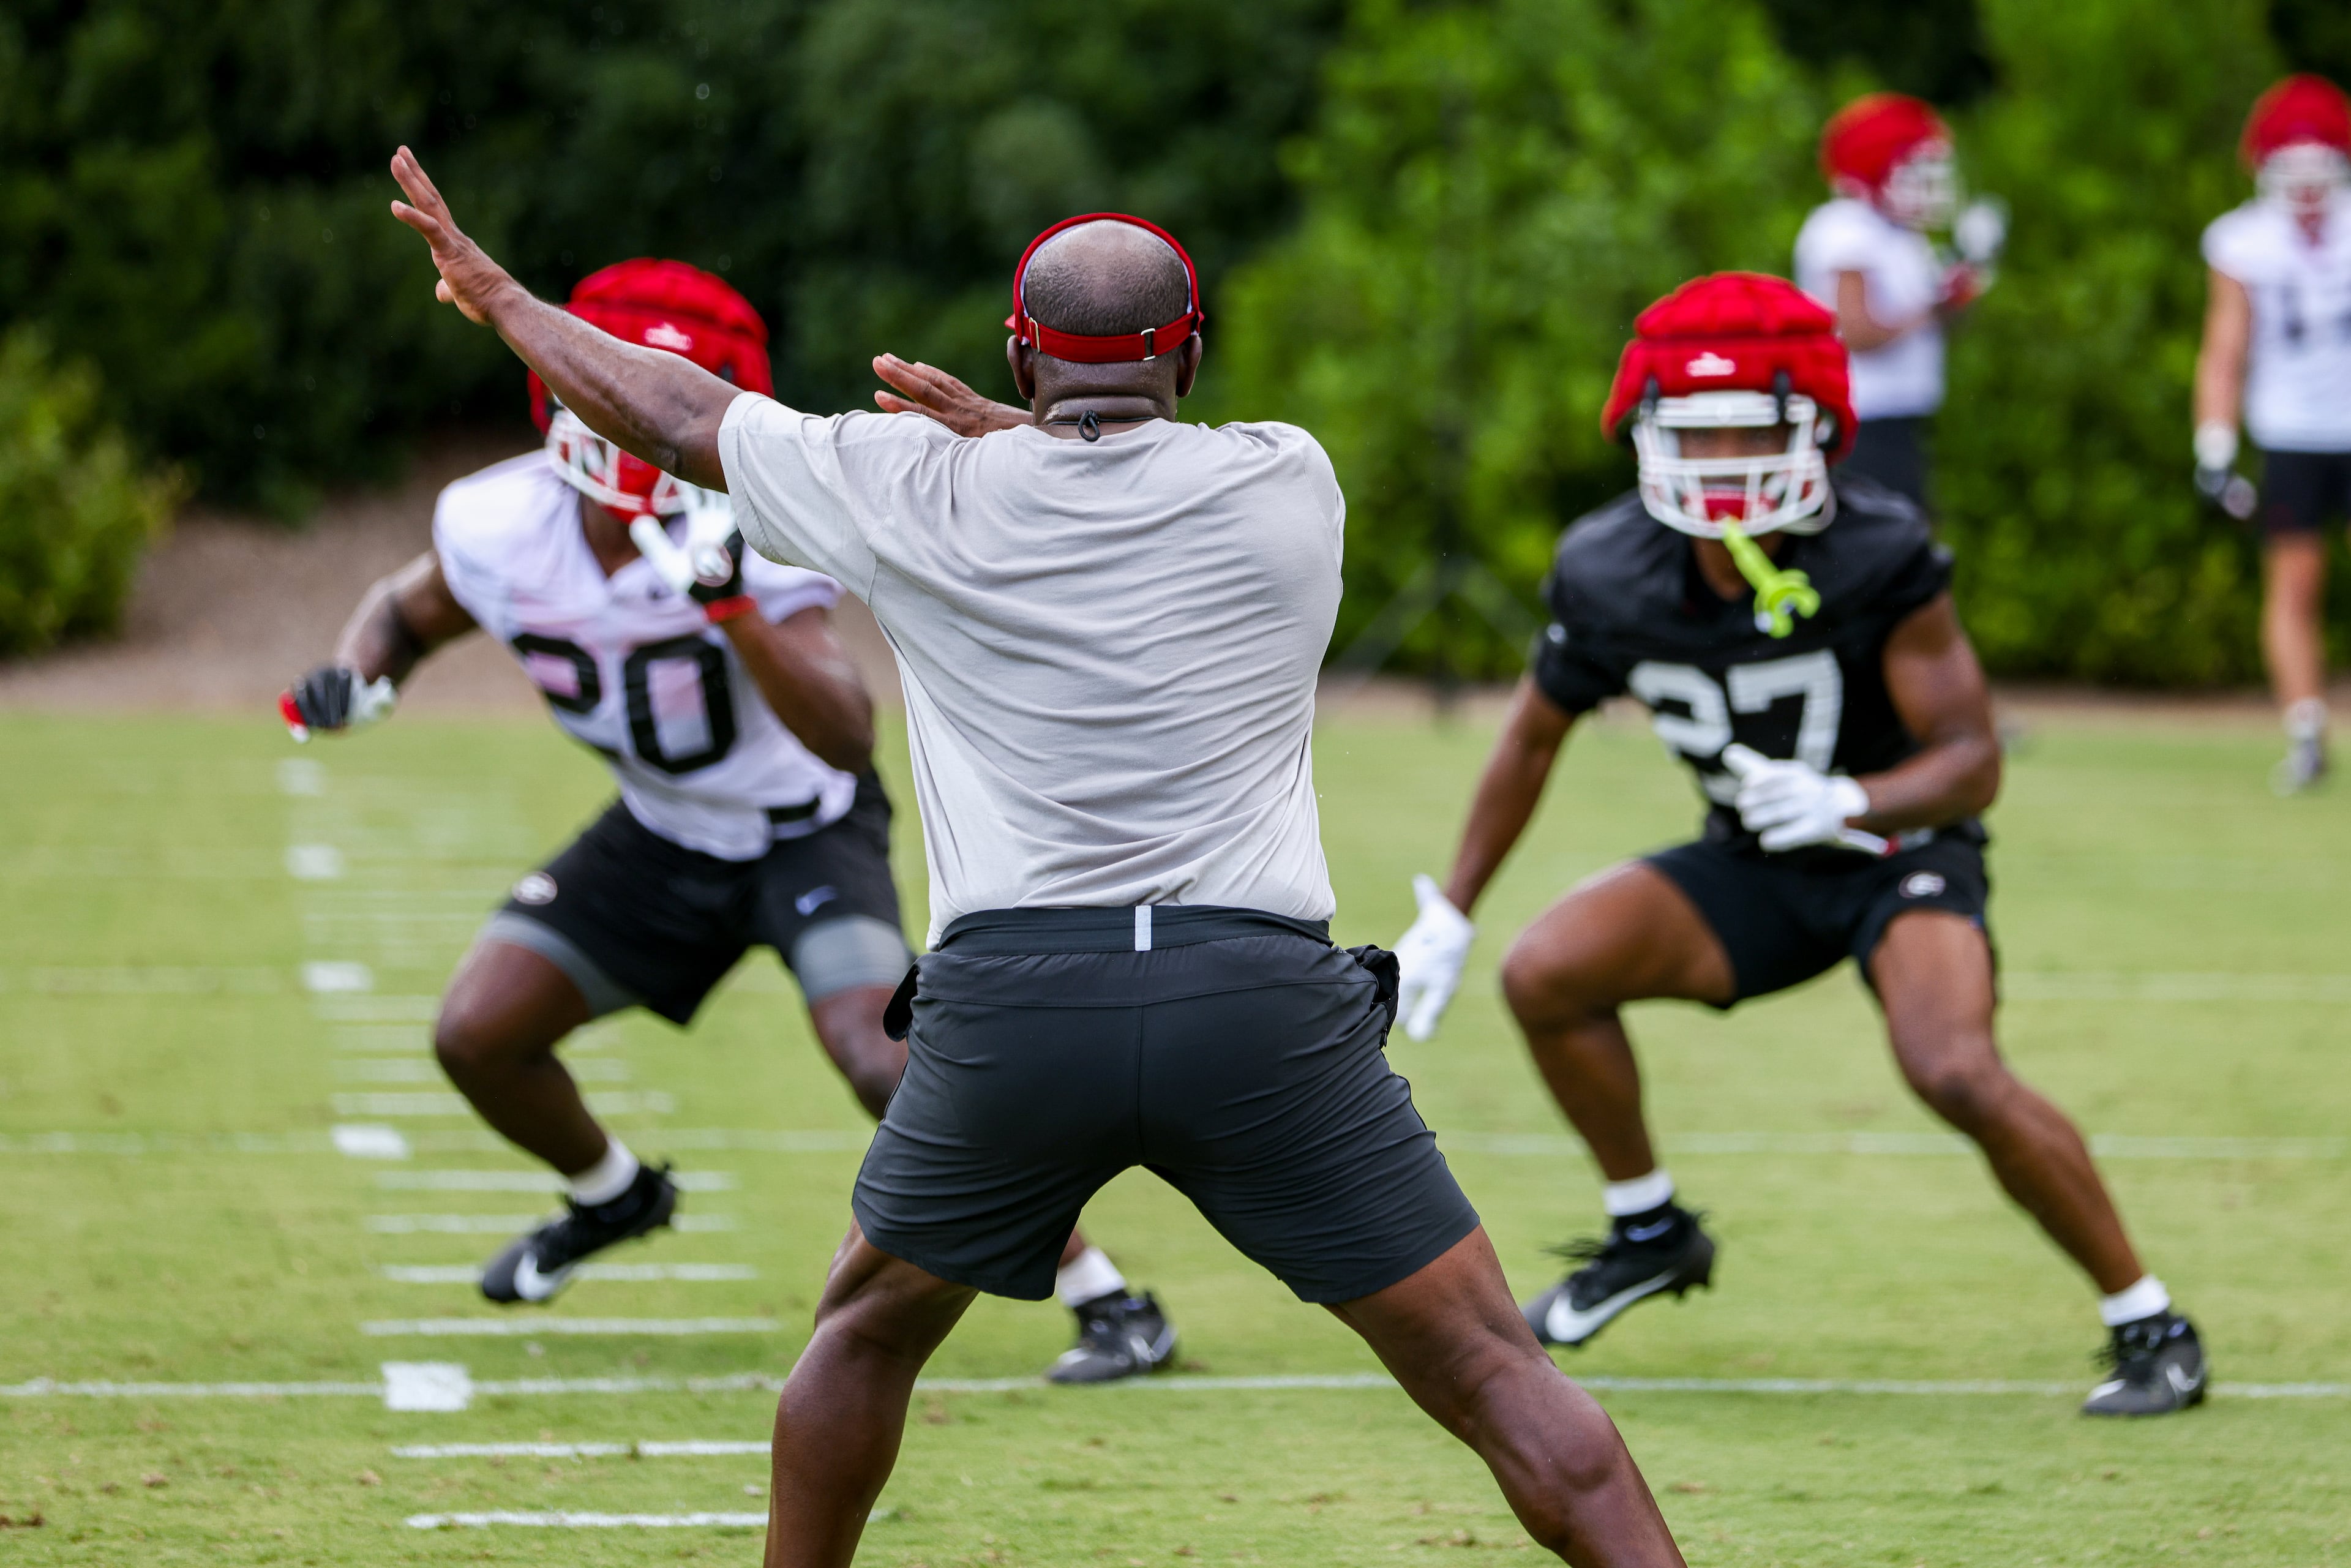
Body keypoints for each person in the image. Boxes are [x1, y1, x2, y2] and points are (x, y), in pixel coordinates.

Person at [389, 150, 1690, 1568]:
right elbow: (1120, 471)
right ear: (1193, 351)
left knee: (863, 1337)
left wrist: (505, 295)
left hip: (1015, 1011)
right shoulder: (1287, 482)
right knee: (1494, 1367)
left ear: (1018, 345)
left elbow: (685, 416)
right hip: (1254, 1006)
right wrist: (1026, 423)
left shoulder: (911, 486)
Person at [279, 257, 1175, 1385]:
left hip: (805, 826)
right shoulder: (498, 521)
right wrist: (359, 678)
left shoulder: (751, 523)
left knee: (880, 1055)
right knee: (477, 1034)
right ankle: (614, 1196)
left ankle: (1108, 1295)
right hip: (660, 830)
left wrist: (734, 606)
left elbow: (847, 733)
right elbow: (405, 615)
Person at [1393, 273, 2205, 1419]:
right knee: (1546, 971)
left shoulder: (1877, 549)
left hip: (1896, 852)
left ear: (1816, 430)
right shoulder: (1607, 567)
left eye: (1752, 431)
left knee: (1955, 1069)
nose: (1724, 459)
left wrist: (1849, 799)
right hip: (1753, 862)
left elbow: (1973, 756)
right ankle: (1650, 1231)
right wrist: (1458, 908)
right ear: (1642, 435)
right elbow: (1530, 740)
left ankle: (2149, 1318)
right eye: (1697, 432)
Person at [2194, 73, 2351, 794]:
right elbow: (2226, 348)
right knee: (2295, 584)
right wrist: (2215, 446)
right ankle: (2305, 725)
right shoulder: (2243, 238)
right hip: (2291, 431)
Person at [1793, 92, 1990, 509]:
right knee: (1899, 546)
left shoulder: (1901, 236)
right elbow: (1857, 331)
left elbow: (1931, 326)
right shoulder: (1845, 229)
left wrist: (1961, 287)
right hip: (1864, 420)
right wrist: (1933, 308)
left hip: (1899, 416)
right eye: (1916, 170)